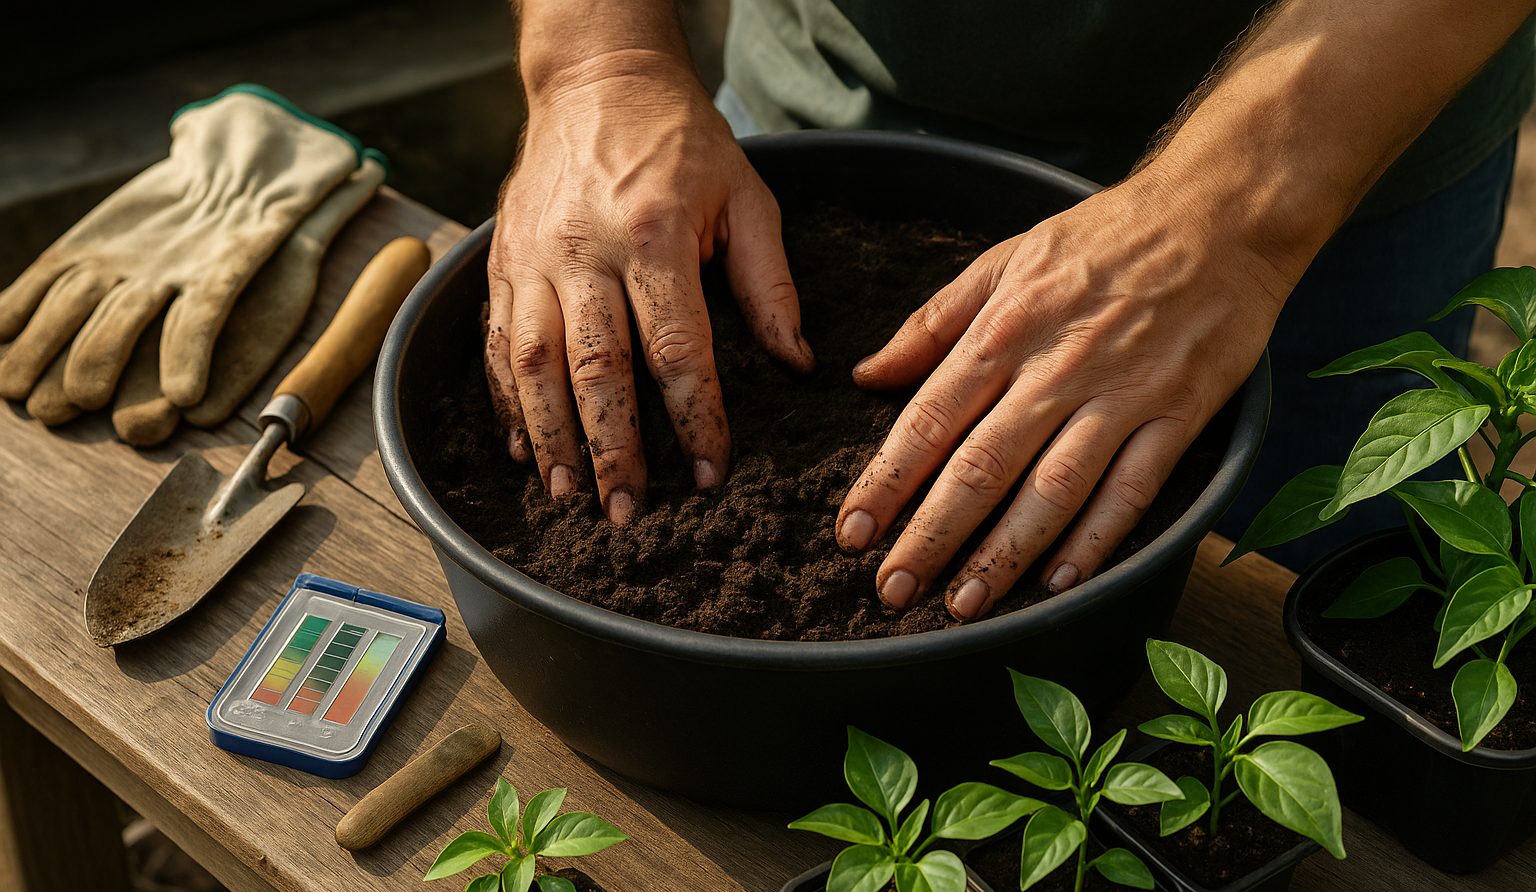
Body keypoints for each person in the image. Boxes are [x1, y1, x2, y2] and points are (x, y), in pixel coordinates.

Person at [486, 0, 1536, 621]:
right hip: (831, 100)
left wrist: (1237, 217)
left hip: (1323, 151)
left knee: (1299, 617)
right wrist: (599, 60)